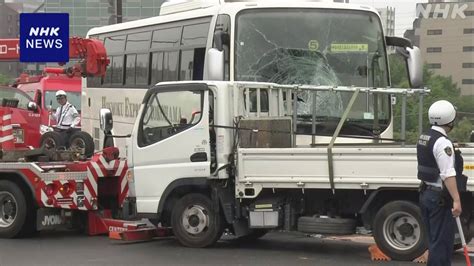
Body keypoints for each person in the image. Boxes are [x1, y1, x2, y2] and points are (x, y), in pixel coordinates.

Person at [417, 100, 462, 266]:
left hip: (426, 195)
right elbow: (448, 173)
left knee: (434, 241)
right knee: (441, 245)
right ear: (450, 120)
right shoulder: (443, 142)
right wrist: (456, 200)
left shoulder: (424, 136)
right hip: (439, 199)